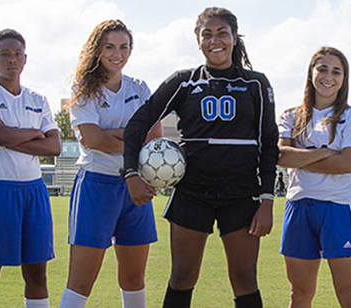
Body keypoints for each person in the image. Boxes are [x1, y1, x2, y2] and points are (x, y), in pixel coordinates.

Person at [122, 7, 279, 308]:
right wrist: (131, 173)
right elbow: (137, 126)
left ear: (234, 37)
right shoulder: (183, 81)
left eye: (222, 33)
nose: (214, 40)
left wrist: (267, 199)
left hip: (242, 193)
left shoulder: (256, 84)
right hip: (193, 192)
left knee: (245, 280)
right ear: (198, 40)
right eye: (207, 34)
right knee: (182, 277)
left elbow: (269, 144)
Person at [58, 20, 162, 308]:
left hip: (136, 187)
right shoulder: (83, 87)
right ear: (97, 50)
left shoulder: (139, 88)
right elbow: (92, 139)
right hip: (97, 184)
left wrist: (114, 135)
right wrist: (131, 137)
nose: (118, 54)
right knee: (81, 282)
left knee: (133, 280)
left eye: (124, 47)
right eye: (110, 47)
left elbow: (154, 136)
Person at [0, 29, 61, 308]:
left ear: (25, 58)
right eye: (5, 54)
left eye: (17, 54)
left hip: (34, 191)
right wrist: (33, 133)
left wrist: (11, 135)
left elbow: (54, 147)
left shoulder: (38, 99)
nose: (12, 60)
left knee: (37, 275)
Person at [277, 47, 351, 308]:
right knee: (299, 294)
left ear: (344, 79)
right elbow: (282, 157)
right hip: (299, 207)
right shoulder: (290, 116)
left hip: (339, 208)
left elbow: (347, 162)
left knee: (349, 294)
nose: (328, 76)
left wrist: (303, 157)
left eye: (336, 71)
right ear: (311, 73)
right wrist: (324, 153)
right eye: (322, 68)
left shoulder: (350, 116)